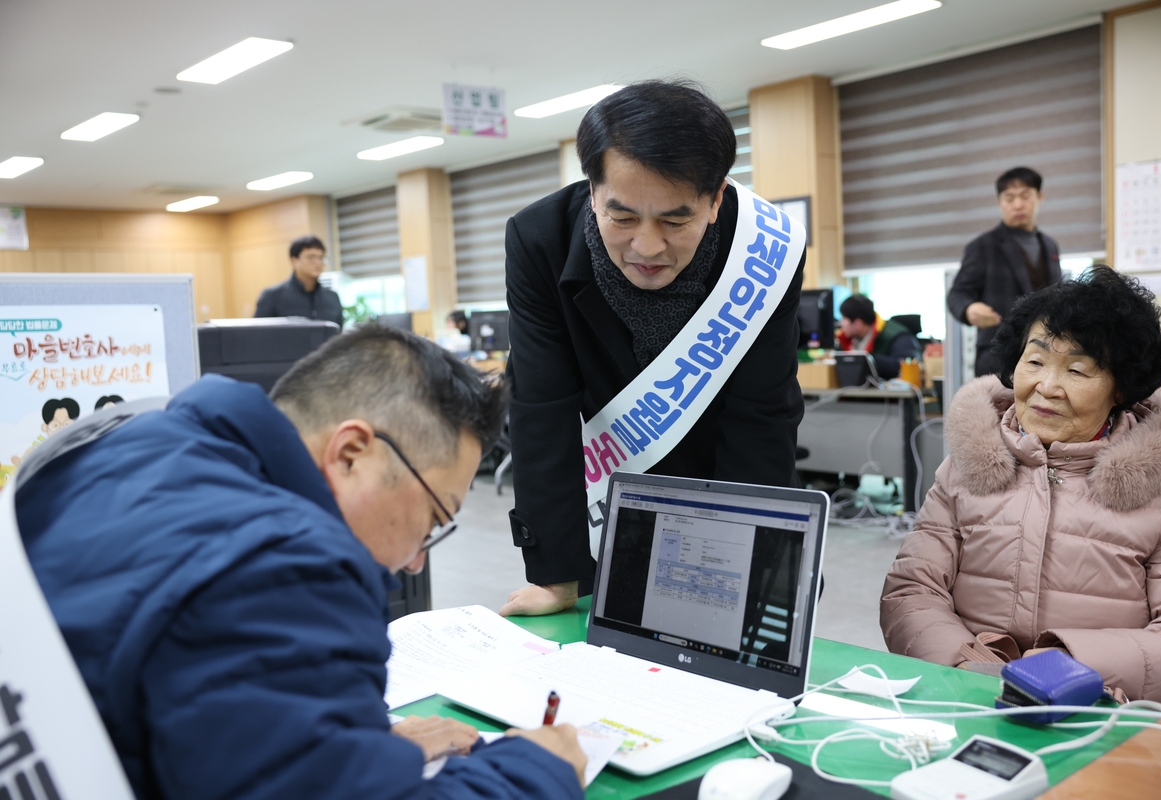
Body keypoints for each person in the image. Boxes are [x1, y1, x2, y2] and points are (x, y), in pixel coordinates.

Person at [16, 326, 587, 799]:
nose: (416, 562)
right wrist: (535, 771)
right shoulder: (287, 562)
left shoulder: (129, 447)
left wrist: (344, 746)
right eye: (434, 519)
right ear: (351, 452)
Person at [500, 80, 806, 617]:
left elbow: (762, 416)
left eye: (675, 219)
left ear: (716, 199)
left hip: (724, 474)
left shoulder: (762, 249)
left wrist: (747, 563)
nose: (647, 246)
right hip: (611, 492)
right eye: (622, 217)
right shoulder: (537, 240)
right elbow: (541, 409)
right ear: (592, 191)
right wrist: (558, 574)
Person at [881, 268, 1161, 704]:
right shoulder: (967, 465)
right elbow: (911, 590)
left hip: (1099, 714)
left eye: (1077, 370)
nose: (1046, 387)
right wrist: (963, 666)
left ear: (1121, 389)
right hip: (967, 696)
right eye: (1034, 361)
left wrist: (1061, 669)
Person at [946, 167, 1062, 376]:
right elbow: (957, 294)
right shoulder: (982, 245)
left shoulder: (1050, 246)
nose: (1017, 204)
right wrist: (970, 309)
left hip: (1045, 355)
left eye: (1025, 196)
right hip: (998, 354)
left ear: (1040, 197)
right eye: (1009, 198)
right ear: (1000, 202)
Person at [254, 235, 345, 328]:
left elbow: (339, 336)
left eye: (321, 258)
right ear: (294, 261)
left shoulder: (332, 297)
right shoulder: (272, 296)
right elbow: (258, 334)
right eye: (311, 257)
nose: (318, 262)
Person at [834, 294, 921, 380]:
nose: (840, 323)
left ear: (858, 324)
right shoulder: (845, 338)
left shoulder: (898, 336)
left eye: (844, 318)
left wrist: (866, 359)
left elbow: (905, 365)